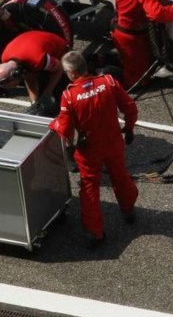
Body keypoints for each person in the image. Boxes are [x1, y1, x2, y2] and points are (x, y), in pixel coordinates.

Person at [49, 51, 139, 248]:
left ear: (72, 73)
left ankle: (95, 233)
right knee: (121, 175)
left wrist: (53, 125)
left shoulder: (69, 95)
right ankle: (128, 209)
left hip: (89, 149)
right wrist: (129, 128)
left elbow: (64, 130)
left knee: (90, 188)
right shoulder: (109, 82)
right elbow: (130, 108)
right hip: (114, 141)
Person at [0, 29, 68, 112]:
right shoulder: (5, 57)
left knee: (57, 87)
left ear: (16, 74)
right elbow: (28, 77)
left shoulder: (37, 60)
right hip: (33, 44)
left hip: (60, 48)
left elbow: (59, 67)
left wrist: (48, 92)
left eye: (13, 85)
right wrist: (34, 103)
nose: (15, 86)